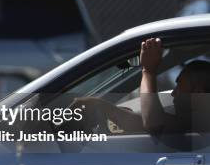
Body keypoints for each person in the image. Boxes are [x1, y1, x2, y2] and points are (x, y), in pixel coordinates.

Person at [73, 38, 210, 134]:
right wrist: (100, 107)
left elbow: (154, 124)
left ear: (198, 93)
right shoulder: (190, 125)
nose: (173, 93)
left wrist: (148, 71)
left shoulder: (201, 124)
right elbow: (141, 123)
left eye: (180, 87)